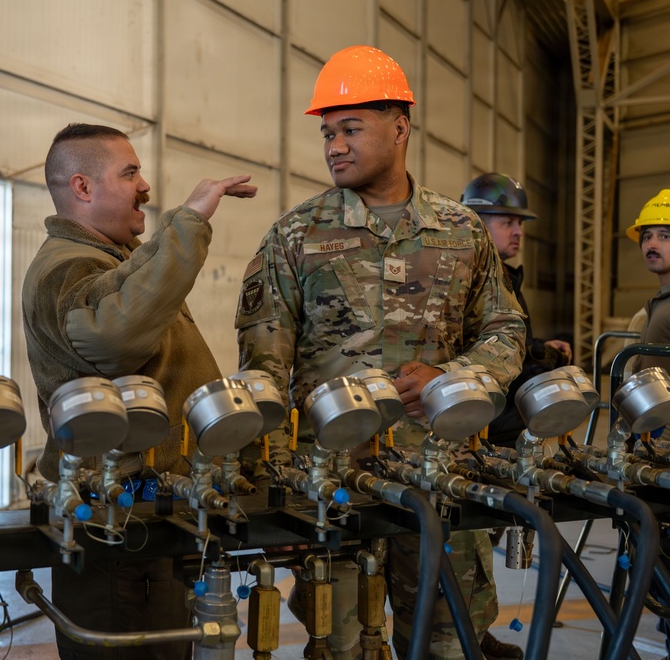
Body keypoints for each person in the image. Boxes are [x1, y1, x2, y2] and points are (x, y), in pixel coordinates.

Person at [235, 46, 526, 660]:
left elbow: (505, 328)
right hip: (334, 485)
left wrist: (452, 375)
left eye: (351, 128)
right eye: (327, 133)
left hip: (442, 475)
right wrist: (274, 487)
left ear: (400, 129)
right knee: (340, 646)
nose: (334, 145)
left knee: (449, 642)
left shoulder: (460, 230)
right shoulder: (296, 235)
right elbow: (263, 371)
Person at [21, 122, 256, 660]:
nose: (145, 186)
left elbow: (142, 283)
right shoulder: (68, 268)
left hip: (148, 518)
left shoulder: (114, 260)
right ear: (82, 188)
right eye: (130, 174)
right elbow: (114, 335)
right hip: (115, 531)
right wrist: (191, 219)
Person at [460, 173, 572, 447]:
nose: (519, 231)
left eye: (520, 223)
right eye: (508, 222)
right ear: (477, 224)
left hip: (511, 422)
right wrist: (534, 361)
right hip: (483, 428)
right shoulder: (461, 280)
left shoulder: (506, 278)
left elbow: (505, 336)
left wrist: (537, 346)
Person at [626, 188, 670, 656]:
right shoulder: (661, 301)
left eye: (666, 235)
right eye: (647, 235)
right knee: (665, 563)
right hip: (656, 447)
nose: (652, 243)